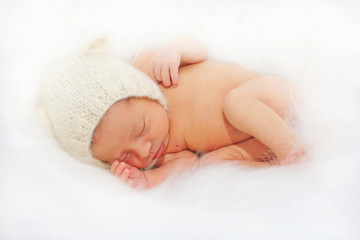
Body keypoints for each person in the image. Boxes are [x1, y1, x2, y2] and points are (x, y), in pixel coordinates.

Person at [38, 35, 305, 190]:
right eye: (125, 156)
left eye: (141, 128)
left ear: (140, 89)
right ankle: (279, 167)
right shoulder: (163, 152)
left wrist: (174, 50)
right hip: (256, 142)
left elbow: (200, 49)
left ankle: (292, 149)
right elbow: (187, 164)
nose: (144, 150)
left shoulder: (153, 69)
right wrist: (147, 178)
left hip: (268, 98)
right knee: (210, 165)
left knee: (235, 104)